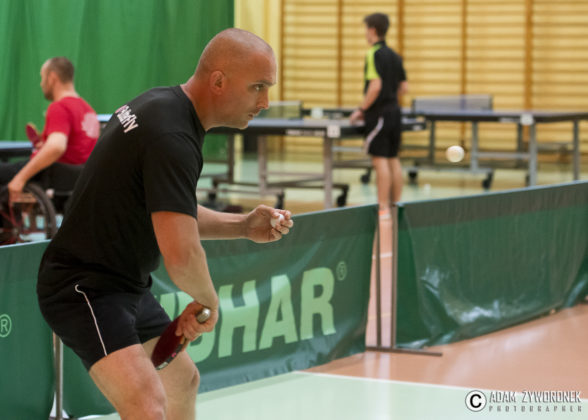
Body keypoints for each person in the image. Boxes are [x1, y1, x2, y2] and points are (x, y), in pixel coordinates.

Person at [37, 28, 293, 420]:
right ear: (219, 81)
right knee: (147, 406)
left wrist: (243, 225)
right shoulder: (172, 135)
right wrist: (208, 302)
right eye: (258, 87)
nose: (265, 102)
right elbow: (182, 254)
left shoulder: (162, 104)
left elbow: (172, 211)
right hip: (83, 288)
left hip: (125, 286)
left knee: (182, 382)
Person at [0, 57, 99, 200]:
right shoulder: (89, 111)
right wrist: (45, 146)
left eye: (42, 77)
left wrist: (20, 179)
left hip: (51, 176)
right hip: (77, 182)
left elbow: (56, 147)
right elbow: (77, 149)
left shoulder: (60, 107)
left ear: (52, 78)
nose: (41, 84)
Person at [350, 13, 408, 216]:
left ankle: (382, 207)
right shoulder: (395, 56)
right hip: (395, 112)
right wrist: (390, 96)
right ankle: (396, 206)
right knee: (393, 159)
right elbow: (404, 88)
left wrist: (362, 110)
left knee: (380, 160)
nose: (365, 33)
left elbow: (375, 86)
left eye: (366, 29)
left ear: (372, 30)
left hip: (380, 114)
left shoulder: (373, 54)